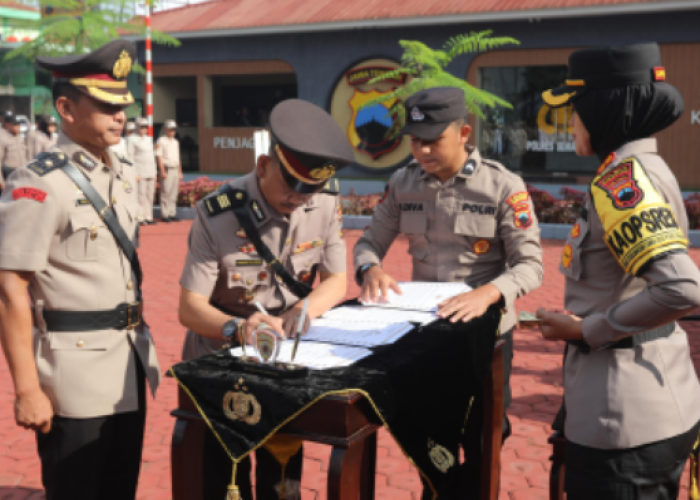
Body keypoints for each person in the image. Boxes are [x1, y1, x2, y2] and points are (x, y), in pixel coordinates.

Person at [353, 87, 543, 499]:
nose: (421, 151)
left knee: (481, 442)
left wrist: (489, 293)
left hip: (485, 341)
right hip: (427, 338)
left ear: (463, 133)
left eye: (432, 140)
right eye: (415, 141)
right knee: (428, 438)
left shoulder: (502, 186)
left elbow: (530, 266)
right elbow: (369, 242)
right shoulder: (403, 184)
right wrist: (370, 269)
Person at [536, 42, 700, 500]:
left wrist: (587, 328)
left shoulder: (622, 181)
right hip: (651, 398)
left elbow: (684, 289)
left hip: (624, 421)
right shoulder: (646, 167)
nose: (570, 124)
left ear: (602, 107)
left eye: (574, 110)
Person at [0, 39, 161, 500]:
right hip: (72, 377)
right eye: (106, 105)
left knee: (119, 489)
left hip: (128, 363)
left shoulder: (121, 171)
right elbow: (11, 288)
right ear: (66, 108)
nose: (120, 116)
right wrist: (27, 389)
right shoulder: (38, 182)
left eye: (122, 105)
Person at [178, 98, 353, 500]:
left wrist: (301, 309)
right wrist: (240, 329)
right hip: (221, 361)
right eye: (291, 186)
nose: (300, 199)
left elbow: (336, 280)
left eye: (311, 190)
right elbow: (189, 308)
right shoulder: (217, 213)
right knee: (222, 484)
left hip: (283, 364)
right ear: (263, 166)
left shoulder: (323, 203)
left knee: (282, 484)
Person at [128, 117, 158, 225]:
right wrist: (134, 173)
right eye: (142, 127)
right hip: (140, 172)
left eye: (146, 127)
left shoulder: (149, 139)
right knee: (140, 196)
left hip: (150, 171)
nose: (144, 129)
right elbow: (130, 157)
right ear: (137, 127)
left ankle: (148, 217)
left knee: (150, 195)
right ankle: (140, 218)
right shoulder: (132, 139)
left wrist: (155, 172)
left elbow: (152, 157)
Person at [155, 119, 182, 222]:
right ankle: (165, 214)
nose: (172, 132)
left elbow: (178, 158)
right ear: (165, 130)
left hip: (175, 168)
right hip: (167, 168)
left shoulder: (176, 142)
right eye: (170, 129)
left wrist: (180, 171)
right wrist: (162, 171)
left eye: (174, 130)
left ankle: (172, 213)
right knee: (165, 192)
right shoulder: (161, 140)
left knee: (173, 192)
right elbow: (159, 156)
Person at [0, 113, 29, 188]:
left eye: (19, 125)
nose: (18, 127)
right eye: (15, 125)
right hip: (9, 173)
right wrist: (1, 181)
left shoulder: (22, 138)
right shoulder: (3, 139)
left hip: (22, 172)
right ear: (8, 125)